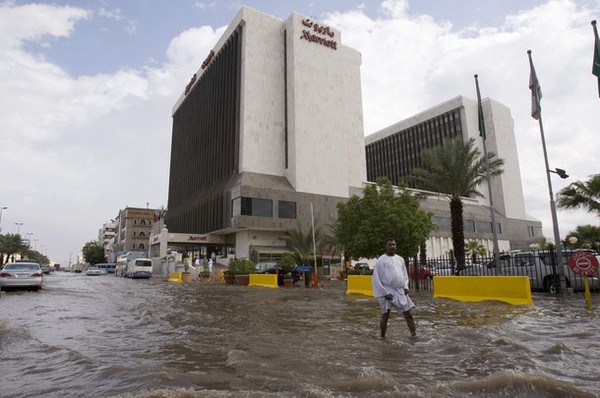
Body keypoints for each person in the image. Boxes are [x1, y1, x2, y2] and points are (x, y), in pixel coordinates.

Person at [372, 238, 416, 338]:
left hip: (399, 291)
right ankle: (382, 337)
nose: (392, 246)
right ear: (386, 246)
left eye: (393, 244)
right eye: (389, 245)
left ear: (396, 246)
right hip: (387, 291)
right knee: (386, 315)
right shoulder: (381, 260)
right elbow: (376, 278)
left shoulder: (400, 259)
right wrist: (384, 292)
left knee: (408, 314)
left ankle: (414, 336)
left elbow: (405, 275)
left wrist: (405, 286)